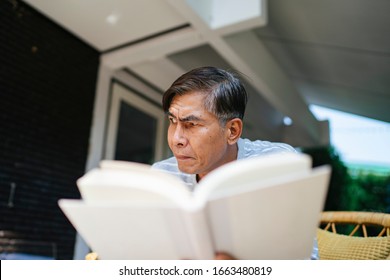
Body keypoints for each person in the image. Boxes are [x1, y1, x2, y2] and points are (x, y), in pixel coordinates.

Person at [152, 66, 318, 260]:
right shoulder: (161, 177)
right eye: (173, 121)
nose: (176, 139)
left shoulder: (276, 165)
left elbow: (308, 261)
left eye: (192, 124)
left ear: (232, 131)